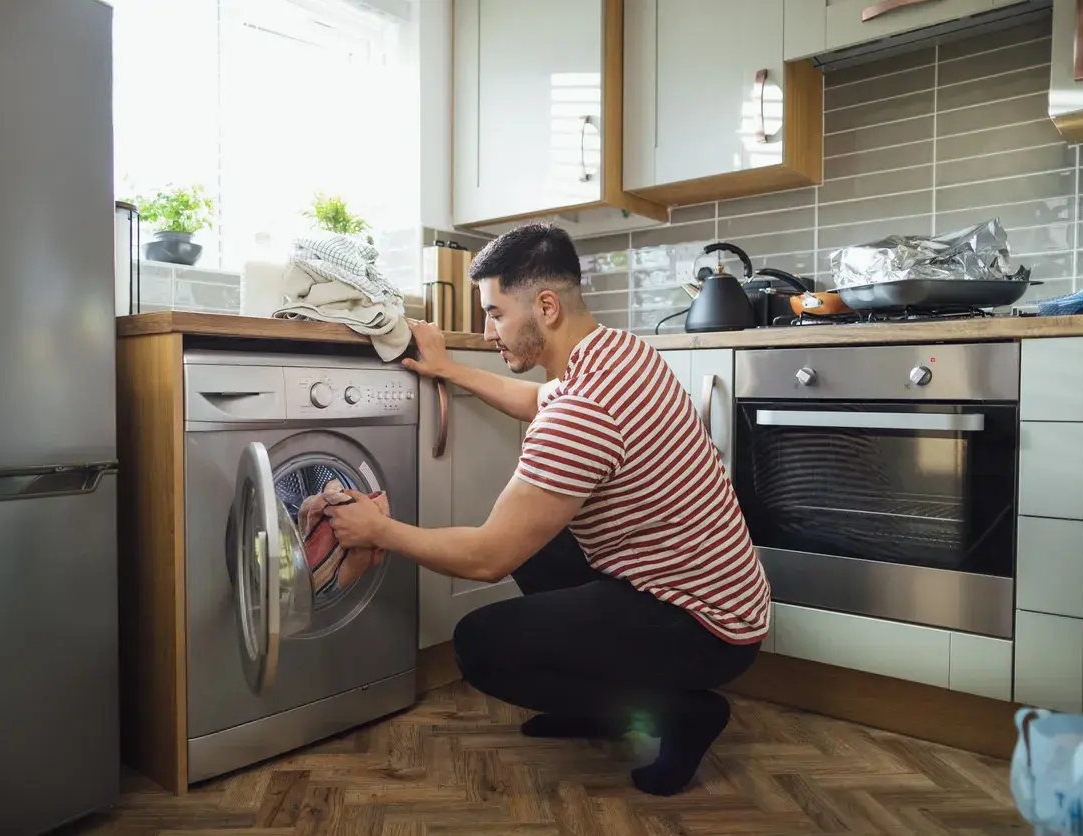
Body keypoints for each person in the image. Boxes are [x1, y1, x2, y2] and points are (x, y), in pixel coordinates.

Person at [324, 222, 770, 796]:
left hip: (707, 628)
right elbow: (537, 399)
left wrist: (378, 529)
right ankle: (607, 705)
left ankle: (678, 712)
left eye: (495, 313)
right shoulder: (619, 353)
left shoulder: (585, 410)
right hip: (720, 593)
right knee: (535, 546)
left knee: (480, 647)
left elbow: (486, 557)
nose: (488, 333)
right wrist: (448, 369)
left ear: (547, 306)